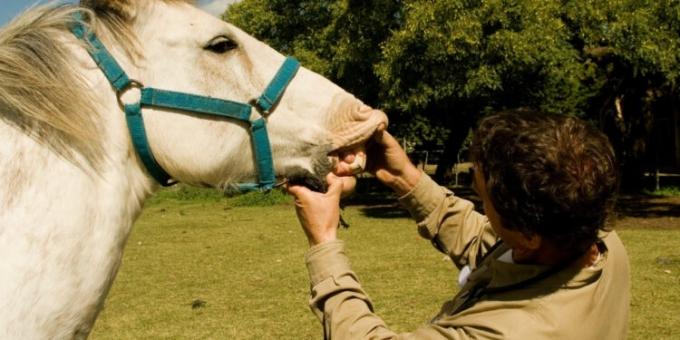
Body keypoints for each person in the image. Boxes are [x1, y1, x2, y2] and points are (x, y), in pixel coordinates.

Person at [286, 110, 630, 339]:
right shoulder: (595, 238)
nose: (479, 209)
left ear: (527, 236)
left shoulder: (509, 332)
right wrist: (404, 177)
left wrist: (324, 241)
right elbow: (487, 242)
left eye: (482, 200)